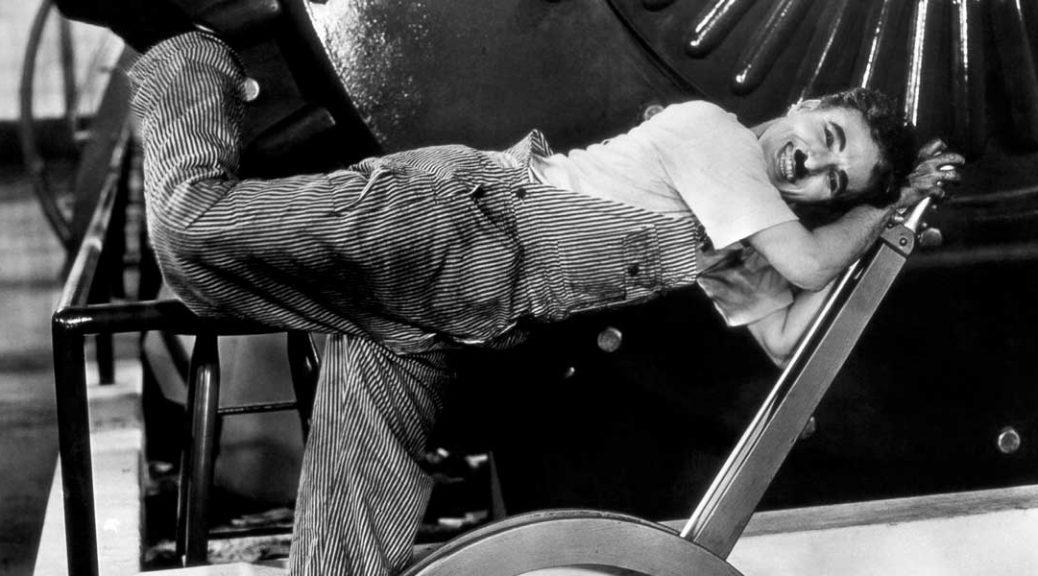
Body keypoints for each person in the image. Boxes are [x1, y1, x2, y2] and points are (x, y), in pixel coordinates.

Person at [126, 30, 961, 576]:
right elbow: (809, 263)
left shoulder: (735, 233)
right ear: (808, 106)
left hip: (447, 320)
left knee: (347, 548)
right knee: (192, 235)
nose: (813, 164)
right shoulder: (715, 135)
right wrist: (880, 213)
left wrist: (881, 250)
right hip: (451, 222)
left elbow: (785, 338)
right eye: (829, 138)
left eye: (833, 181)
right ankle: (192, 60)